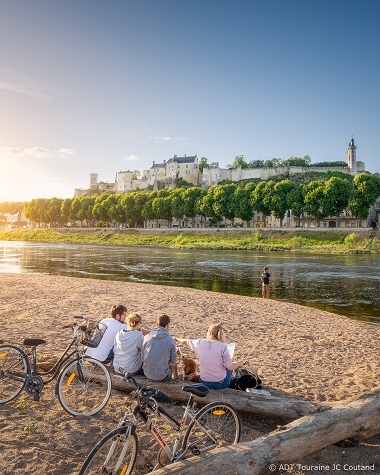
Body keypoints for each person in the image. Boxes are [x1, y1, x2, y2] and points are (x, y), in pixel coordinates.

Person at [175, 323, 243, 389]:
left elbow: (186, 341)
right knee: (229, 368)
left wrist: (176, 339)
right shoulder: (223, 346)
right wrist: (239, 363)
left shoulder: (200, 343)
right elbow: (230, 367)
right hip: (220, 384)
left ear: (210, 333)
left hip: (204, 382)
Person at [141, 314, 177, 381]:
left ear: (157, 324)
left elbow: (142, 359)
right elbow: (173, 363)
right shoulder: (170, 340)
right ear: (168, 325)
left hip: (147, 373)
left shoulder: (146, 337)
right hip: (162, 376)